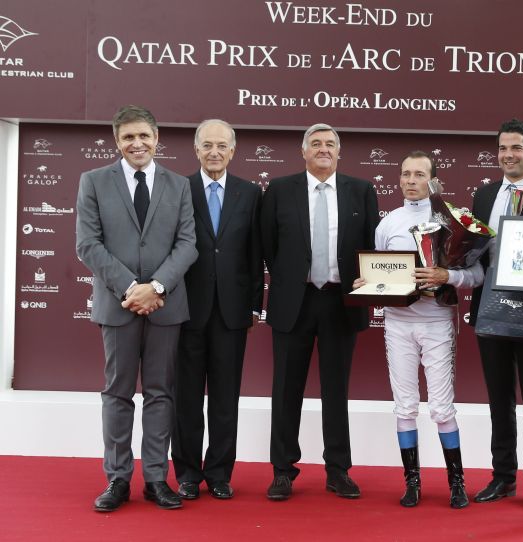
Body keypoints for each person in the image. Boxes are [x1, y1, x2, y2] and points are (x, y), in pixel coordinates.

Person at [76, 105, 198, 512]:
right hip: (118, 304)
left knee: (162, 394)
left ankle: (156, 480)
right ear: (117, 141)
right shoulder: (93, 182)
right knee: (117, 393)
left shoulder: (179, 185)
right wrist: (133, 288)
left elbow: (187, 244)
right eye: (128, 137)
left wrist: (157, 287)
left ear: (157, 137)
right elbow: (88, 245)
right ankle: (117, 479)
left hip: (166, 305)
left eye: (144, 135)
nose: (137, 143)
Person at [353, 151, 483, 508]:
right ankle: (412, 483)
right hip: (398, 325)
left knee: (442, 408)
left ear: (433, 180)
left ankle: (456, 482)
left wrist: (447, 276)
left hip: (437, 322)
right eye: (405, 173)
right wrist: (368, 282)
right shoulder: (388, 224)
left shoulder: (453, 220)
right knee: (405, 406)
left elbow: (477, 275)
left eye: (419, 174)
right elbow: (378, 272)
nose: (411, 180)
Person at [261, 123, 379, 500]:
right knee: (285, 389)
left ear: (339, 152)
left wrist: (366, 279)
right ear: (304, 151)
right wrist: (291, 277)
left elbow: (372, 246)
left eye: (330, 144)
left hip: (340, 302)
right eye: (316, 144)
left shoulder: (361, 190)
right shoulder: (280, 190)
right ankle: (282, 471)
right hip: (294, 302)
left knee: (336, 390)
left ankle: (338, 470)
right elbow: (268, 245)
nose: (323, 149)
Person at [469, 119, 523, 511]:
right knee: (498, 398)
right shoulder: (484, 194)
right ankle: (502, 477)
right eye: (503, 148)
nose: (508, 155)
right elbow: (472, 253)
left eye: (516, 148)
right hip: (490, 309)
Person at [171, 120, 263, 501]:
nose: (214, 152)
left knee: (226, 398)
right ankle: (189, 474)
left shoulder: (250, 193)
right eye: (207, 145)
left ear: (232, 151)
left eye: (221, 146)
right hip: (186, 310)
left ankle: (220, 473)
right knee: (186, 399)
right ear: (196, 150)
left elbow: (255, 254)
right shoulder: (178, 190)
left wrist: (256, 305)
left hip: (232, 311)